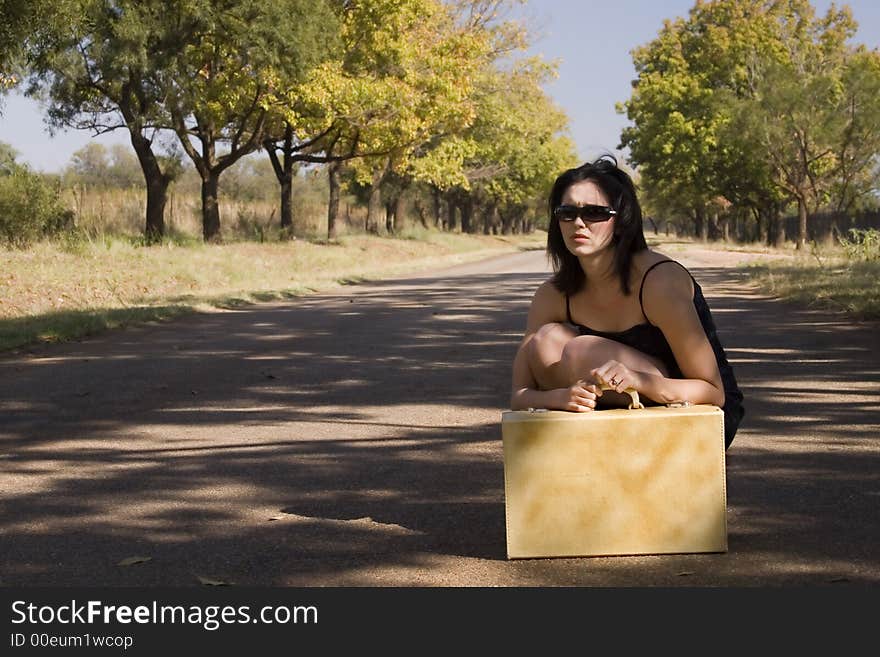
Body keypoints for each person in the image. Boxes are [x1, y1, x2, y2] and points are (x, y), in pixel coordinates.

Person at [510, 155, 744, 448]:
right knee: (546, 341)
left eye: (595, 212)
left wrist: (638, 380)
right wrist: (560, 397)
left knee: (582, 350)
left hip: (693, 413)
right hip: (613, 414)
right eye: (566, 212)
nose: (578, 223)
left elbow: (714, 392)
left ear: (621, 221)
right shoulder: (553, 295)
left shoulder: (658, 282)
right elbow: (520, 394)